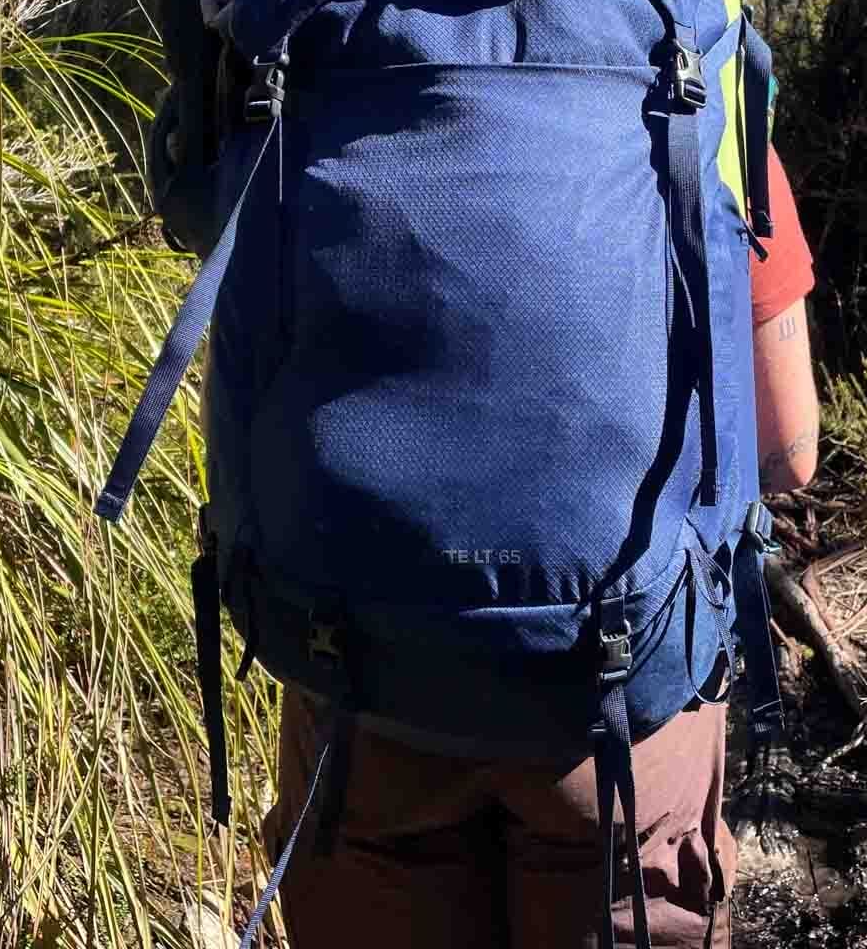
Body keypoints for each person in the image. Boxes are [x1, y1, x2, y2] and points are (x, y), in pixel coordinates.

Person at [257, 141, 819, 949]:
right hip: (621, 695)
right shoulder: (691, 66)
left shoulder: (324, 64)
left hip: (363, 681)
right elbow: (788, 448)